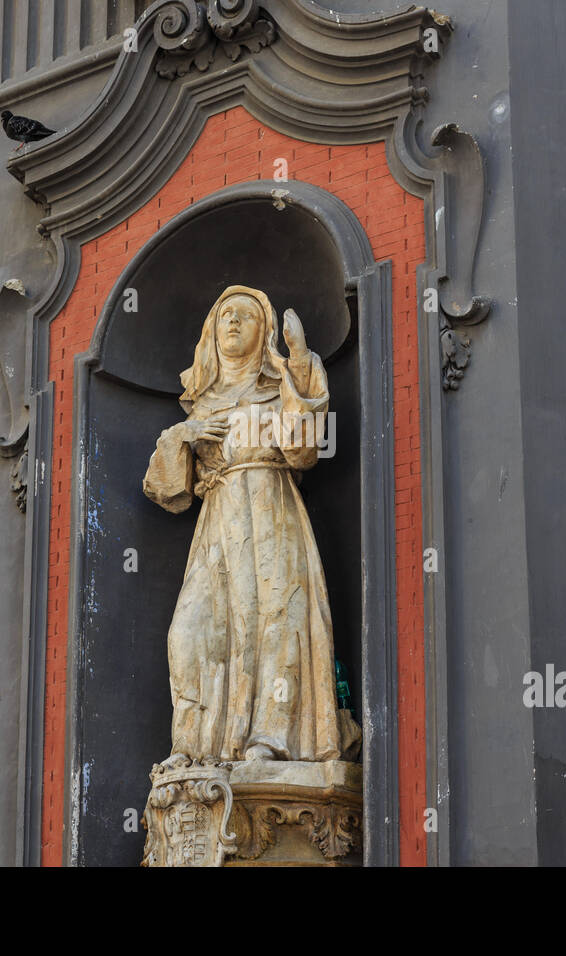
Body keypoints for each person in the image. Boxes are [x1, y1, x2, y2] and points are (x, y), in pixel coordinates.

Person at [142, 284, 357, 763]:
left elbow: (304, 451)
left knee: (277, 621)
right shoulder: (199, 409)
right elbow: (168, 491)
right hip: (218, 524)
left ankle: (271, 737)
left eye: (245, 316)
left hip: (271, 514)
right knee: (192, 630)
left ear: (265, 334)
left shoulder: (278, 391)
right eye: (224, 316)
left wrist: (299, 363)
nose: (233, 323)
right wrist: (182, 435)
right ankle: (193, 745)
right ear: (210, 333)